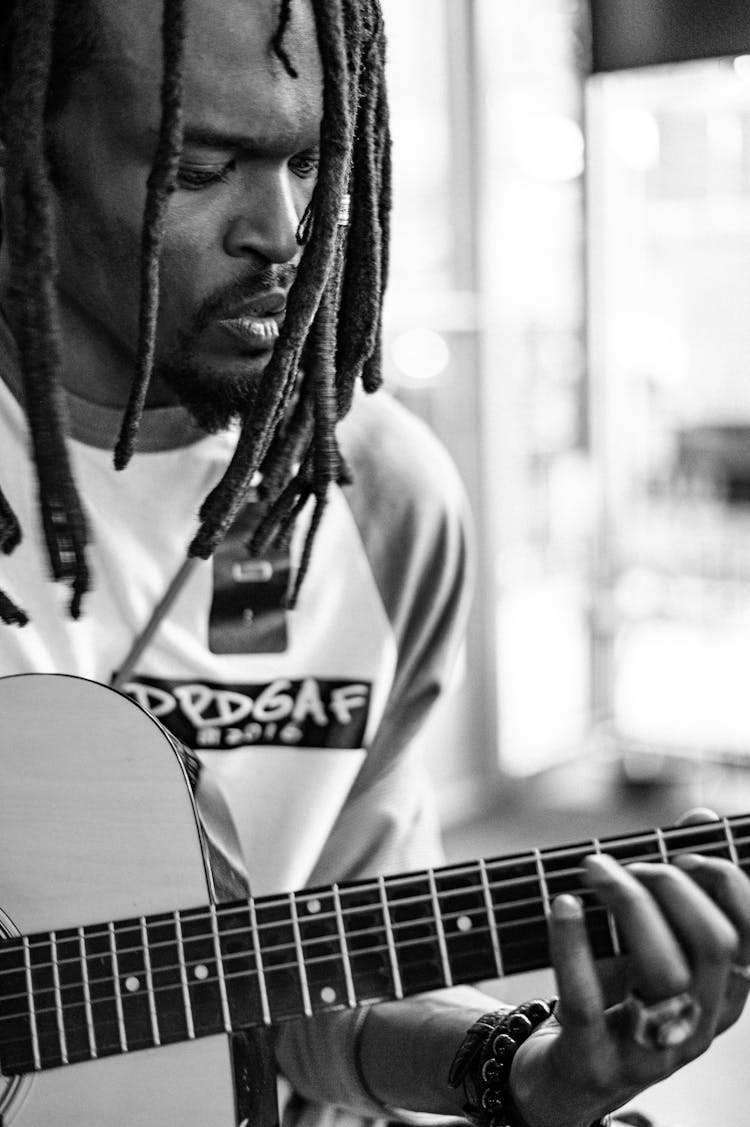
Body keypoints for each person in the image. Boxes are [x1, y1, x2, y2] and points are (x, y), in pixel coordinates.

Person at [0, 3, 749, 1127]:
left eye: (310, 159)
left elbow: (324, 980)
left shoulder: (382, 498)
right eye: (202, 167)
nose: (284, 225)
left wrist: (518, 1066)